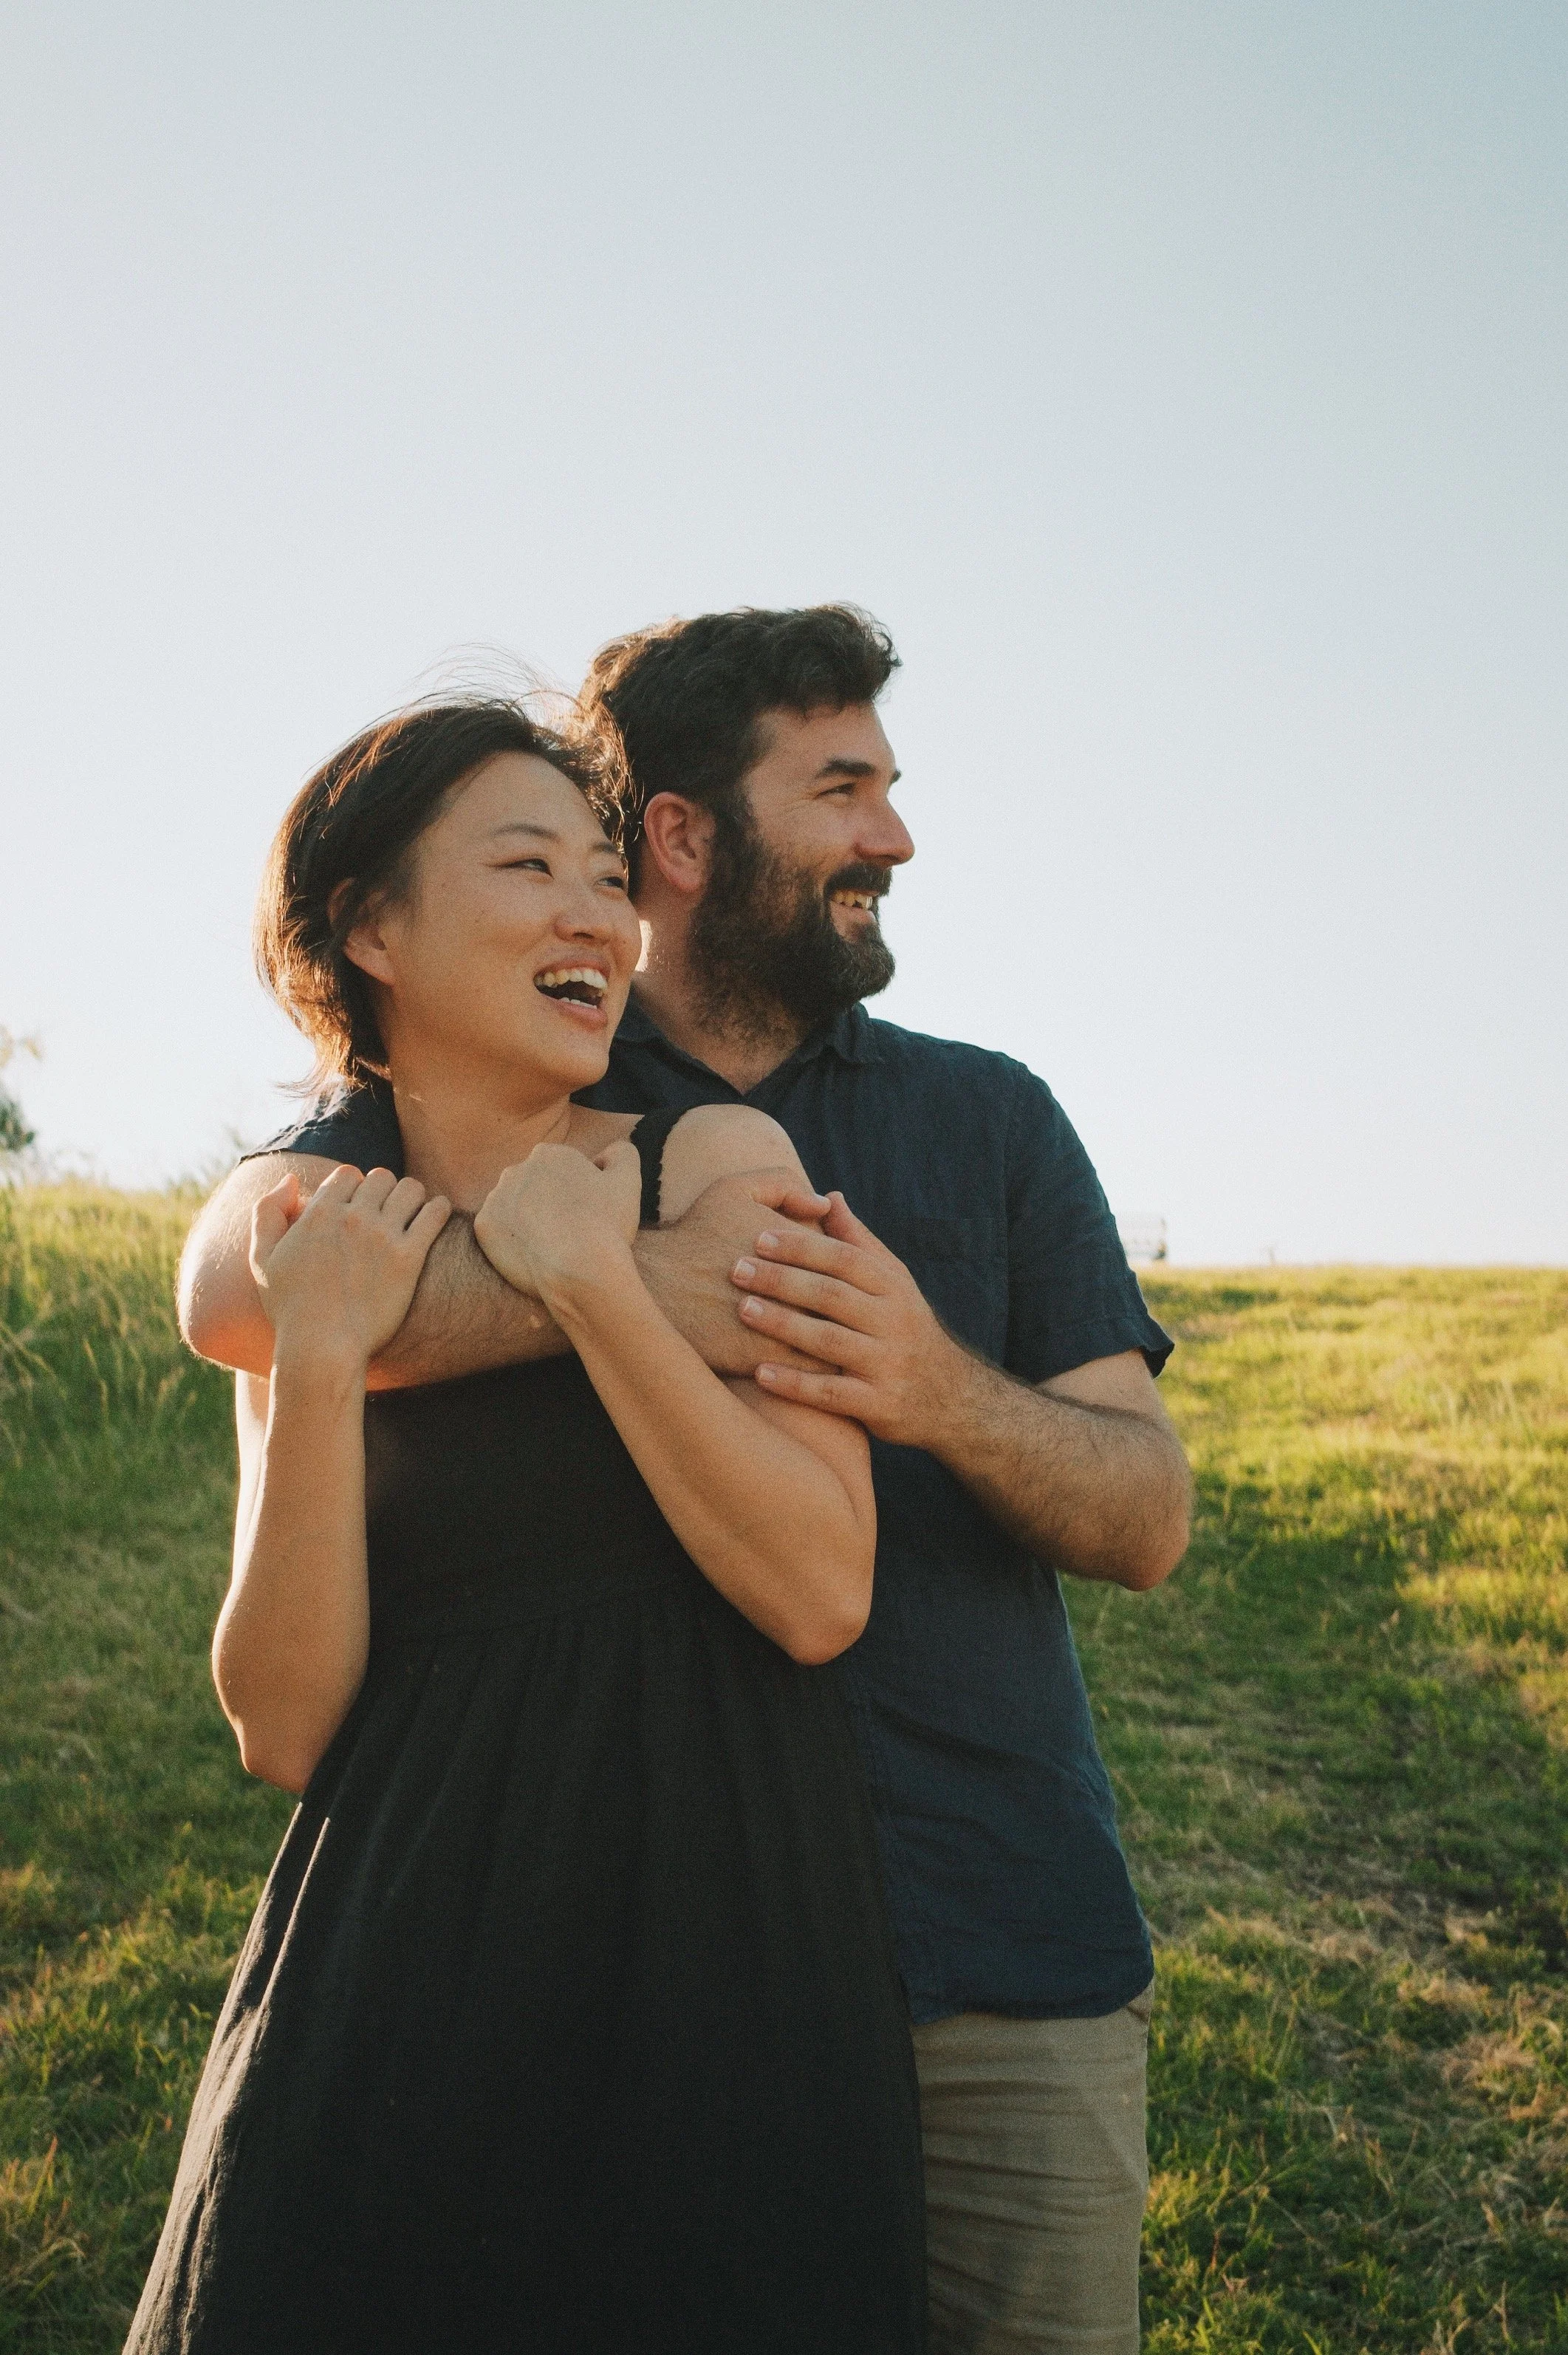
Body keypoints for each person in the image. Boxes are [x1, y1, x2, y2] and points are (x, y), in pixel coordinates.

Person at [182, 606, 1194, 2355]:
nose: (892, 833)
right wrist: (551, 1283)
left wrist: (930, 1386)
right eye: (844, 787)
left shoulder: (975, 1121)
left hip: (976, 1939)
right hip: (521, 1952)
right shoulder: (493, 1111)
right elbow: (237, 1284)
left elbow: (1142, 1515)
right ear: (684, 834)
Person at [131, 699, 927, 2354]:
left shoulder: (716, 1149)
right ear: (369, 927)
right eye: (524, 865)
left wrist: (590, 1282)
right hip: (399, 1954)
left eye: (601, 874)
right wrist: (332, 1356)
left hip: (718, 1943)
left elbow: (818, 1586)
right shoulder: (321, 1237)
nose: (596, 913)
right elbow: (283, 1724)